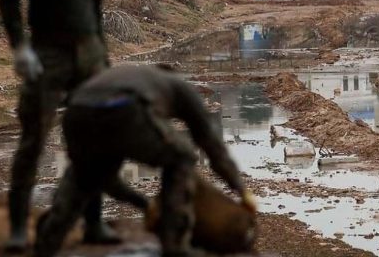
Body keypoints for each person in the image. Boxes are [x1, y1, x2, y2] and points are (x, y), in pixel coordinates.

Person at [0, 0, 128, 252]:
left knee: (95, 142)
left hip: (90, 57)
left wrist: (103, 58)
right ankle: (18, 229)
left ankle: (93, 223)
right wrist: (19, 47)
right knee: (33, 140)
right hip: (48, 55)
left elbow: (96, 12)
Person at [33, 65, 256, 257]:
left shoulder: (137, 76)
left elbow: (108, 181)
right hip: (125, 109)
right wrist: (241, 189)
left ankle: (47, 242)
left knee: (84, 176)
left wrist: (145, 204)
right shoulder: (179, 87)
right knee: (183, 156)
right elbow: (211, 143)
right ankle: (174, 246)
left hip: (76, 113)